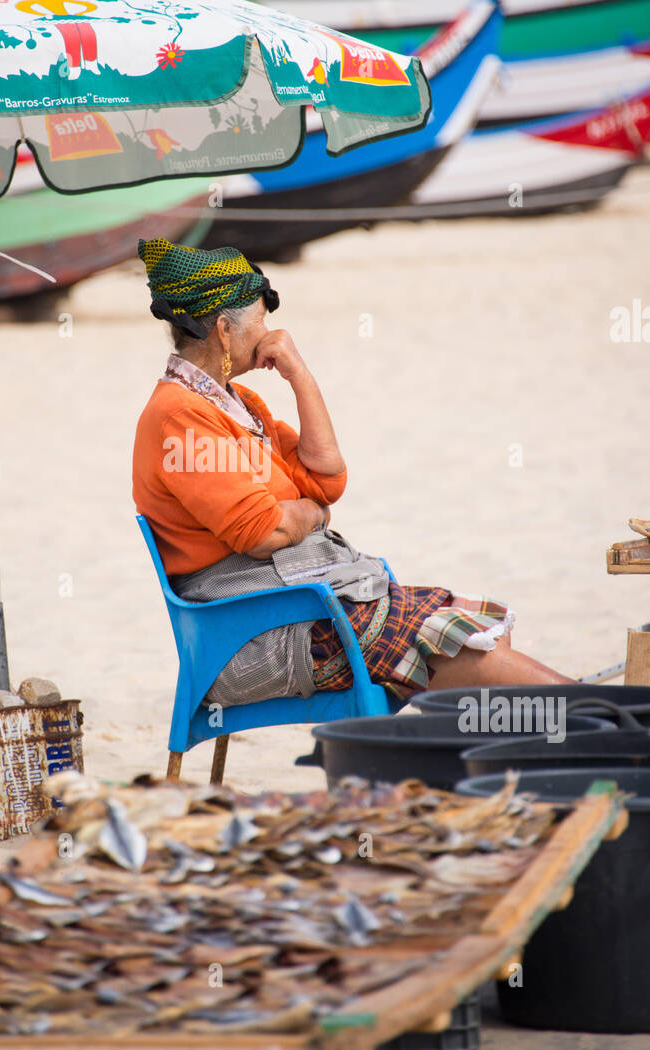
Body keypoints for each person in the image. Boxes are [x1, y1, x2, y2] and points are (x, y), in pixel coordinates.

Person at [132, 238, 574, 707]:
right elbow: (262, 532)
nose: (269, 336)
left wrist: (299, 374)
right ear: (224, 329)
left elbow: (326, 481)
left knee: (461, 620)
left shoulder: (239, 406)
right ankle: (592, 714)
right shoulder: (180, 416)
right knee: (443, 636)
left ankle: (568, 725)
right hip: (251, 639)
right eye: (262, 322)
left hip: (296, 610)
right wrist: (314, 517)